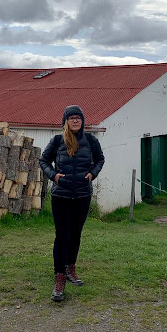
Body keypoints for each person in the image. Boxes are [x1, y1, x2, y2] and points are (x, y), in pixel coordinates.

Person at [39, 105, 105, 302]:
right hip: (61, 195)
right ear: (65, 121)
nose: (75, 120)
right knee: (62, 236)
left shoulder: (91, 140)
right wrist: (54, 176)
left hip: (82, 195)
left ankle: (71, 269)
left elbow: (100, 159)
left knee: (75, 234)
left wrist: (92, 174)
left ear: (82, 120)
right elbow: (43, 160)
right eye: (71, 118)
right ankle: (59, 277)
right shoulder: (58, 141)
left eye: (78, 118)